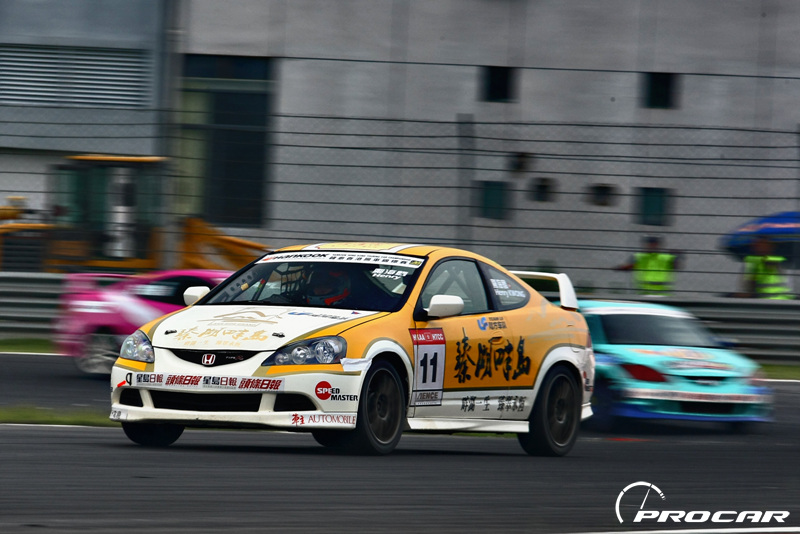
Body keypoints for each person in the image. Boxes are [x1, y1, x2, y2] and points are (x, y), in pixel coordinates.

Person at [616, 236, 681, 296]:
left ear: (658, 245)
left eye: (654, 244)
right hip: (644, 293)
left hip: (663, 293)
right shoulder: (639, 257)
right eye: (650, 244)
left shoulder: (667, 257)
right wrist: (621, 267)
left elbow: (677, 266)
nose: (651, 246)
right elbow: (628, 266)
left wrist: (677, 256)